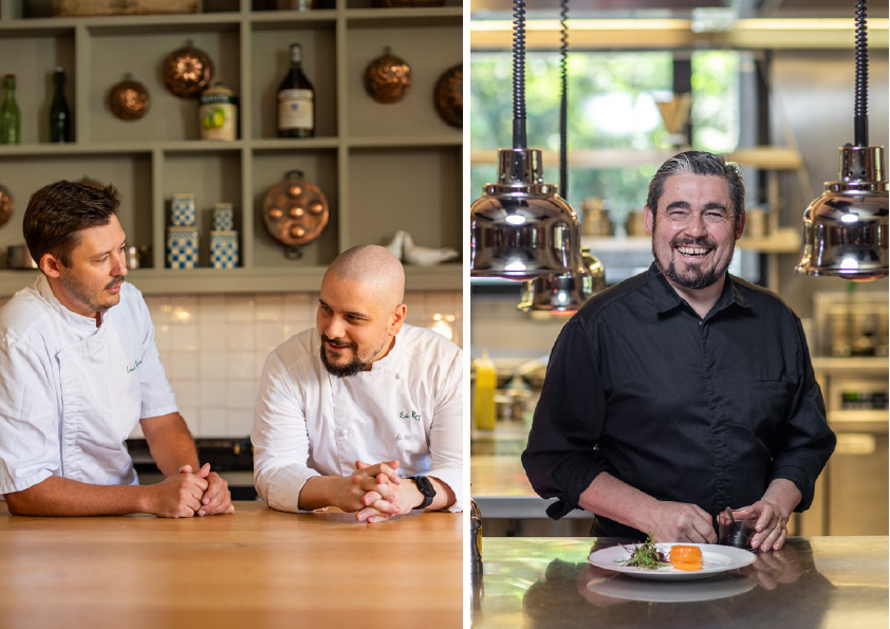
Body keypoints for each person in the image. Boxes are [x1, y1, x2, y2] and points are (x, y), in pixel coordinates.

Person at [521, 151, 836, 552]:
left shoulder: (777, 321)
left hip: (755, 563)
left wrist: (778, 501)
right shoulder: (597, 326)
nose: (696, 231)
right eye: (678, 212)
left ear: (738, 225)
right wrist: (649, 514)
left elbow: (807, 441)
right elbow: (554, 458)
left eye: (715, 214)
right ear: (651, 220)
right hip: (635, 565)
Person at [0, 180, 233, 518]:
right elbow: (26, 491)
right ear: (52, 266)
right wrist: (148, 499)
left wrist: (196, 485)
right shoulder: (20, 334)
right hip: (48, 532)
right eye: (101, 259)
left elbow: (161, 420)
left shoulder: (129, 304)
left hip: (124, 518)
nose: (121, 268)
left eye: (121, 249)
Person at [252, 245, 462, 522]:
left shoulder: (442, 363)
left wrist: (409, 492)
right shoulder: (287, 363)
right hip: (319, 528)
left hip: (417, 526)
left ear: (395, 320)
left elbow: (458, 469)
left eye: (353, 317)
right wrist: (337, 490)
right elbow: (274, 471)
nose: (332, 331)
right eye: (325, 309)